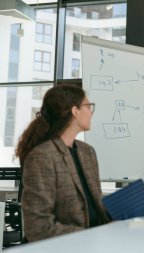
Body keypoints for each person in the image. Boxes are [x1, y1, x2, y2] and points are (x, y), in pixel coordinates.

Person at [15, 85, 110, 242]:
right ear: (75, 111)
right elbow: (38, 228)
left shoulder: (87, 152)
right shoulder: (41, 157)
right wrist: (89, 236)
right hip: (65, 247)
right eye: (88, 106)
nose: (91, 112)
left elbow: (93, 207)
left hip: (95, 243)